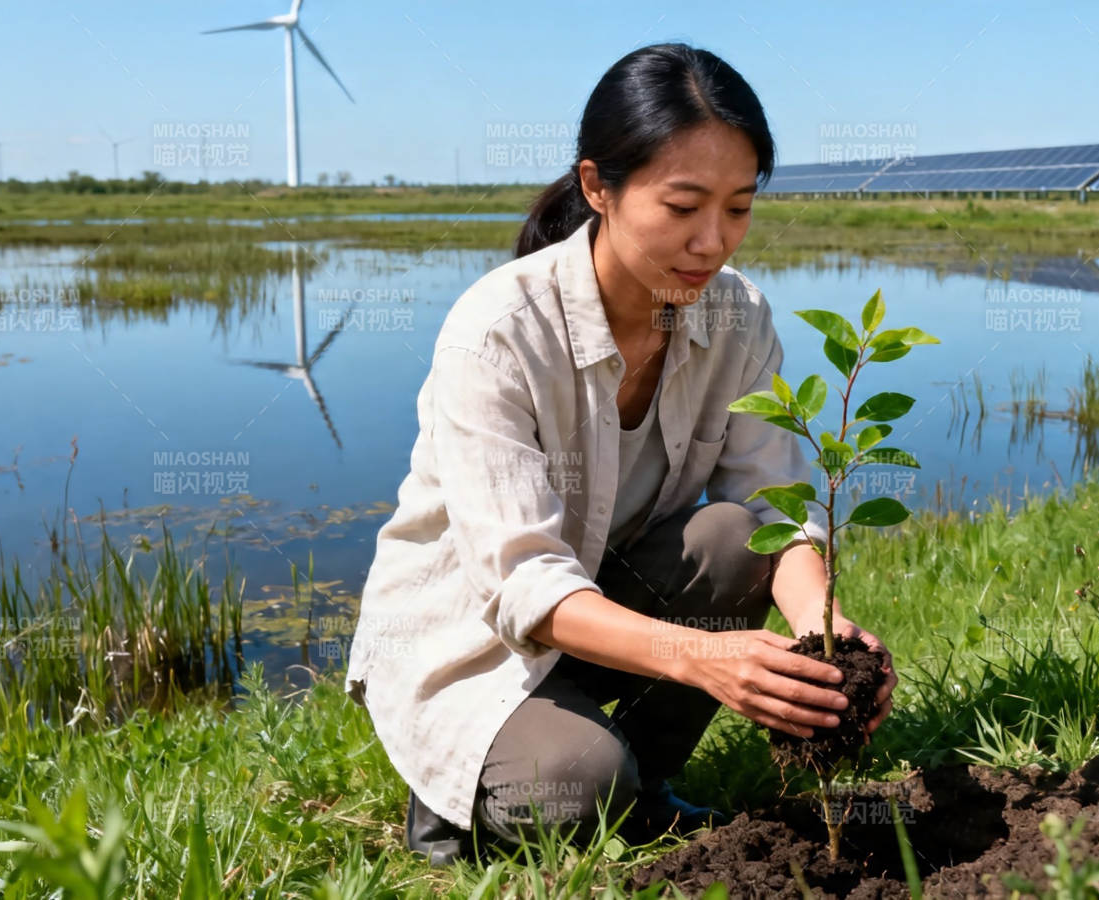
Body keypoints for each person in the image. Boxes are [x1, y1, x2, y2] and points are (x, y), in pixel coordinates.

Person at [343, 41, 897, 868]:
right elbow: (525, 583)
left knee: (736, 537)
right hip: (476, 638)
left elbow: (776, 504)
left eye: (739, 208)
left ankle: (644, 780)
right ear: (598, 187)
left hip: (605, 598)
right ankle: (456, 798)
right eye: (682, 206)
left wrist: (822, 627)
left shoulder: (737, 319)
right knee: (578, 781)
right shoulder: (498, 333)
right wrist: (707, 657)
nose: (713, 242)